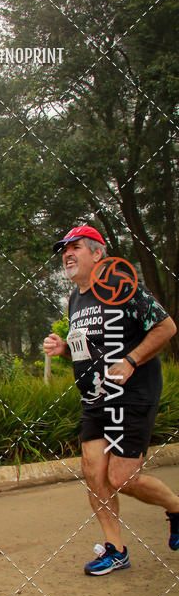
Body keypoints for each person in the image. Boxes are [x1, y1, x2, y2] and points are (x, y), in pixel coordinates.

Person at [44, 225, 179, 575]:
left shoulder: (121, 286)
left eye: (75, 248)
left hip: (131, 395)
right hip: (95, 398)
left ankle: (176, 508)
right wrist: (63, 349)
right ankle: (115, 549)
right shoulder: (76, 297)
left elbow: (165, 328)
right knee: (93, 473)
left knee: (122, 478)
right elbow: (92, 347)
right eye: (64, 250)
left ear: (98, 253)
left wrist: (132, 360)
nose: (67, 255)